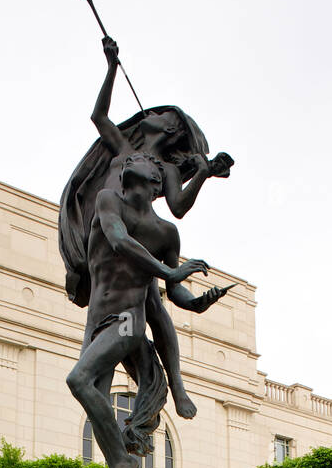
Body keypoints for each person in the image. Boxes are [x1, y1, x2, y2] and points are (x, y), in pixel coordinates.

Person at [67, 152, 229, 468]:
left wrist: (196, 301)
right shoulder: (108, 201)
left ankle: (124, 462)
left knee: (79, 381)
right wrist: (169, 273)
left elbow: (173, 297)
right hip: (96, 322)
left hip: (127, 323)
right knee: (94, 403)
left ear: (157, 182)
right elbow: (119, 240)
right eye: (133, 158)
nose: (135, 158)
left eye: (145, 161)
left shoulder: (166, 232)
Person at [59, 36, 234, 420]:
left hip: (139, 237)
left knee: (154, 303)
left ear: (171, 130)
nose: (153, 114)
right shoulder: (123, 149)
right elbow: (99, 117)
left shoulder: (166, 170)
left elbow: (178, 207)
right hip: (108, 236)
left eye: (165, 115)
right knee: (123, 321)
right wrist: (110, 69)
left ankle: (177, 384)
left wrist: (201, 175)